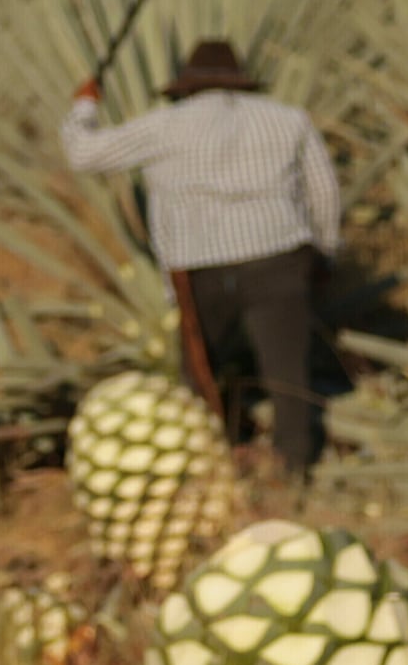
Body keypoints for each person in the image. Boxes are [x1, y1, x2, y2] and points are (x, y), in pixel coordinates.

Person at [59, 35, 346, 479]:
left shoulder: (163, 126)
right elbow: (324, 193)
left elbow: (83, 154)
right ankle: (294, 474)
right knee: (288, 376)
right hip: (278, 259)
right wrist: (323, 254)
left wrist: (84, 105)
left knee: (201, 376)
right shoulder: (289, 120)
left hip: (199, 271)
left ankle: (208, 466)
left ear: (186, 86)